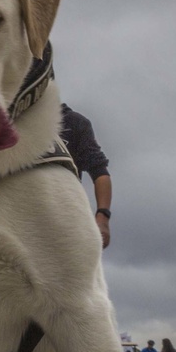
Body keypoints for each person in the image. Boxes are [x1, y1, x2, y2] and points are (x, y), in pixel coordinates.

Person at [59, 103, 112, 249]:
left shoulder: (74, 122)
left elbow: (99, 171)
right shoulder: (11, 121)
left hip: (63, 221)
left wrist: (103, 217)